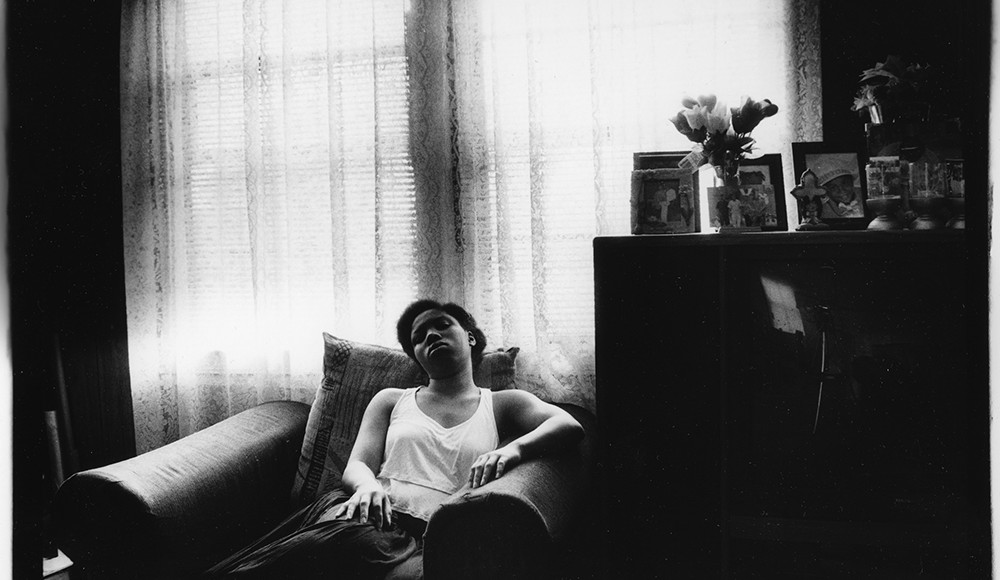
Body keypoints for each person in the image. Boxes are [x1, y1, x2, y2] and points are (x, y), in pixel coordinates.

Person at [204, 300, 585, 579]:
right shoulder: (391, 400)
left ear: (469, 337)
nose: (431, 336)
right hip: (369, 514)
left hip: (430, 534)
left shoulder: (501, 404)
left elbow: (568, 425)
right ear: (417, 356)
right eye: (419, 337)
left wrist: (514, 450)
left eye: (441, 325)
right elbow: (357, 464)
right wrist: (367, 487)